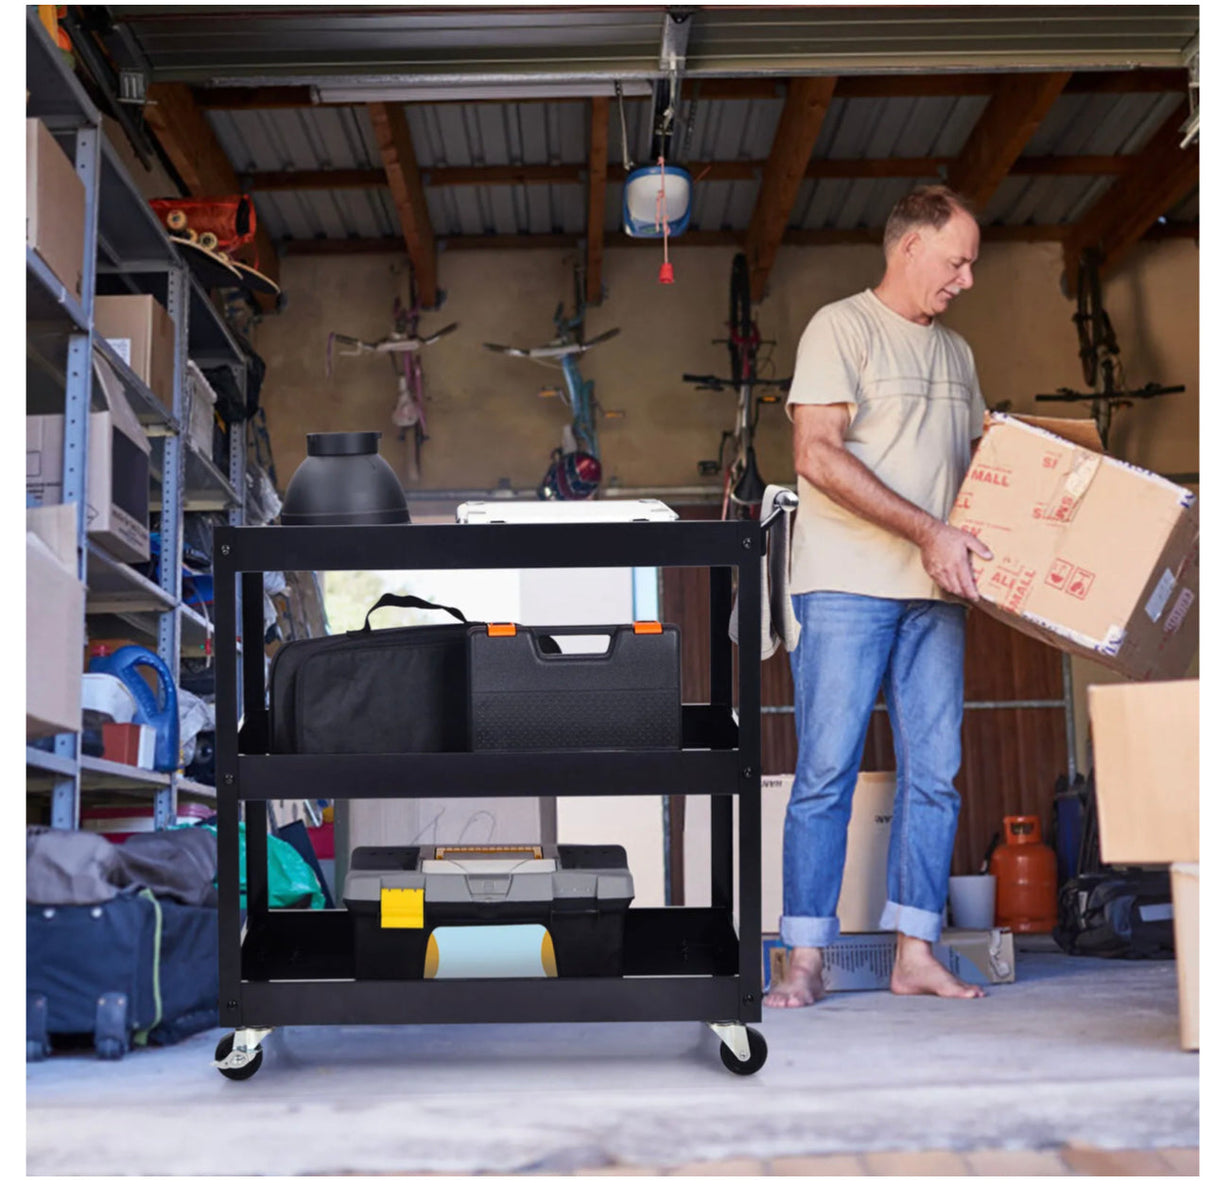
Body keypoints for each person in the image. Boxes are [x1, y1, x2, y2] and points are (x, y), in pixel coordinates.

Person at [765, 184, 994, 1008]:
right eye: (957, 261)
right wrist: (928, 532)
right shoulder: (842, 327)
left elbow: (978, 473)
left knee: (936, 775)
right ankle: (805, 962)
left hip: (937, 594)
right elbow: (816, 455)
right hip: (847, 586)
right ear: (910, 248)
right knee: (826, 772)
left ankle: (915, 953)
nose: (966, 279)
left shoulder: (958, 355)